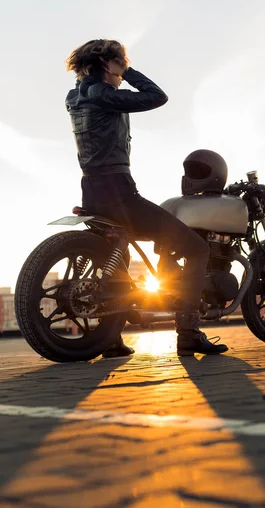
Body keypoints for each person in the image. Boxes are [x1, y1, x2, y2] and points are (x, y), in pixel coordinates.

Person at [65, 39, 228, 357]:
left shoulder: (74, 96)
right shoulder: (102, 93)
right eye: (117, 67)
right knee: (196, 248)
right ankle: (189, 333)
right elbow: (157, 97)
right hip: (119, 192)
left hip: (91, 193)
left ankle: (110, 338)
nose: (118, 75)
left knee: (117, 255)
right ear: (108, 66)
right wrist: (127, 72)